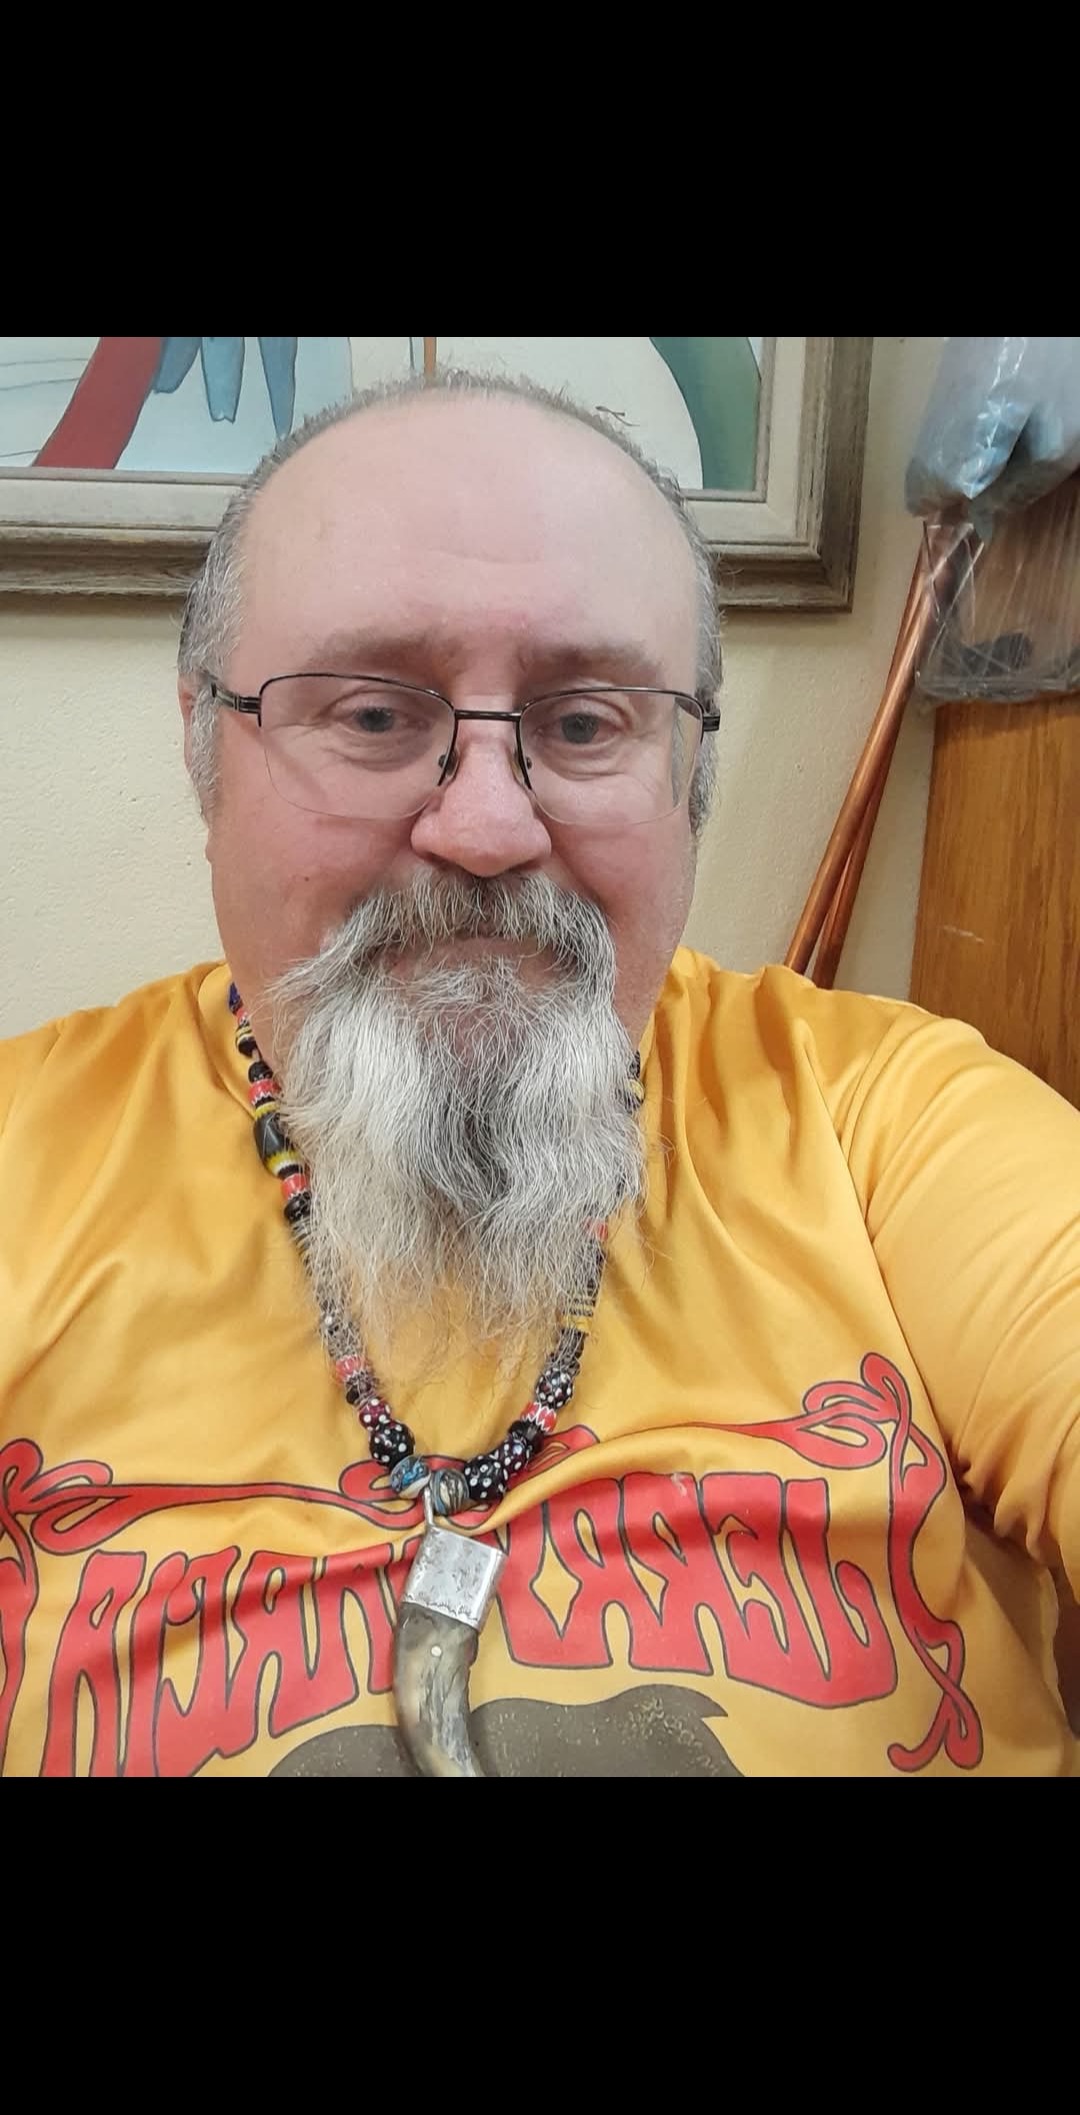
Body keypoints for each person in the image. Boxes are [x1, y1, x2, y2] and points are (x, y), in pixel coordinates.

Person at [1, 370, 1077, 1780]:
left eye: (583, 724)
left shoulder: (892, 1128)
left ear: (688, 772)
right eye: (373, 716)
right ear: (207, 746)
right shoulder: (22, 1161)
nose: (488, 829)